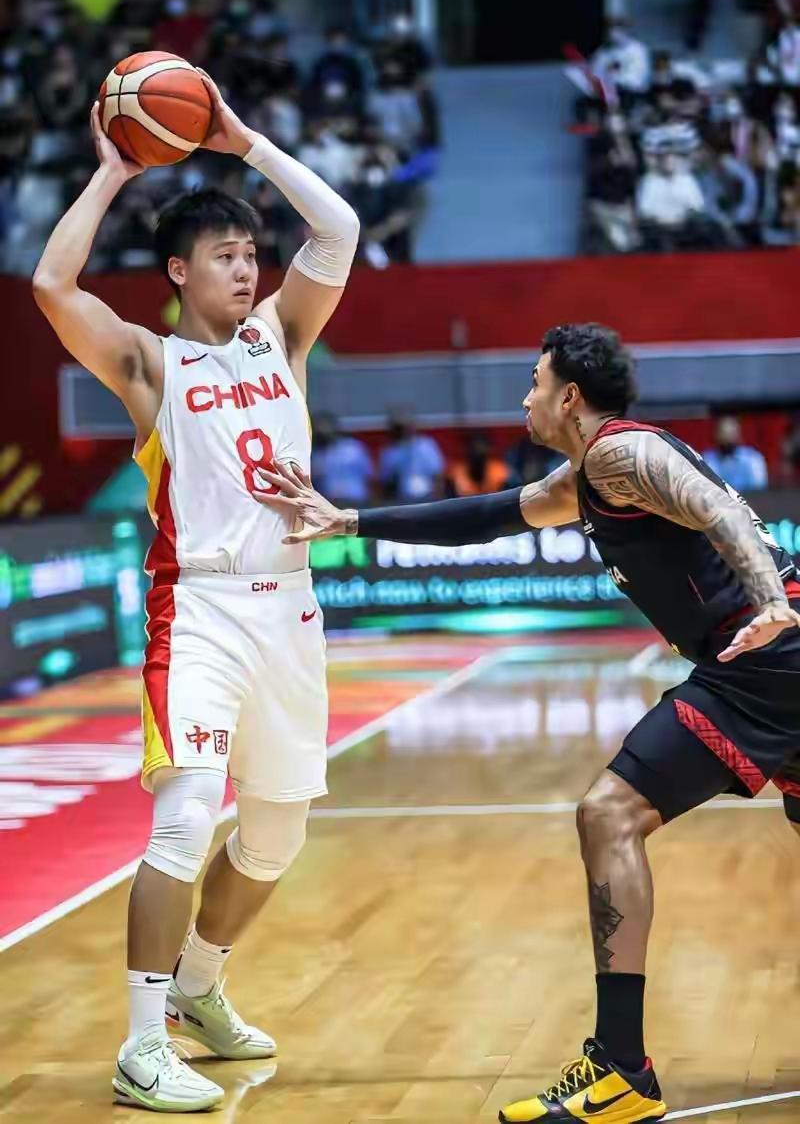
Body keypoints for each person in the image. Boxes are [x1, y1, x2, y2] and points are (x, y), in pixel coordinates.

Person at [255, 323, 800, 1124]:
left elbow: (719, 509)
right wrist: (350, 522)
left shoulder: (620, 455)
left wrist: (772, 602)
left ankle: (621, 1072)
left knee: (609, 814)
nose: (525, 397)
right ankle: (620, 1069)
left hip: (764, 661)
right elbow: (485, 517)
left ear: (569, 396)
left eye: (535, 381)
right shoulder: (585, 477)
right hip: (769, 663)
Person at [32, 76, 359, 1112]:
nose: (247, 267)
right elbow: (51, 284)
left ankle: (198, 987)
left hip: (290, 608)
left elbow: (339, 227)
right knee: (182, 821)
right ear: (180, 271)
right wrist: (111, 172)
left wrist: (242, 140)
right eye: (225, 255)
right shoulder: (151, 362)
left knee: (276, 836)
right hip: (201, 610)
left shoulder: (283, 336)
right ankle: (140, 1046)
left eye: (251, 254)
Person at [378, 410, 445, 501]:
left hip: (427, 497)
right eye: (399, 428)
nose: (403, 431)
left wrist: (438, 498)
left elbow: (437, 474)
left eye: (405, 427)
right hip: (401, 500)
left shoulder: (426, 445)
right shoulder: (389, 452)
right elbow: (386, 482)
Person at [311, 411, 373, 505]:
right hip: (331, 504)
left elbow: (369, 475)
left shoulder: (353, 447)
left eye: (326, 426)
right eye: (319, 428)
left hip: (358, 500)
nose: (323, 431)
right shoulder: (316, 455)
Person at [703, 415, 768, 491]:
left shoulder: (753, 458)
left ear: (738, 433)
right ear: (716, 435)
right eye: (724, 433)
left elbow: (759, 487)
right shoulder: (707, 460)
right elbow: (707, 487)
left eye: (731, 433)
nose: (727, 438)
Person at [448, 429, 510, 496]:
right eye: (473, 450)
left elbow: (503, 493)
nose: (477, 455)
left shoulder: (498, 470)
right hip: (464, 501)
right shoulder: (457, 470)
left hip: (493, 501)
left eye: (481, 452)